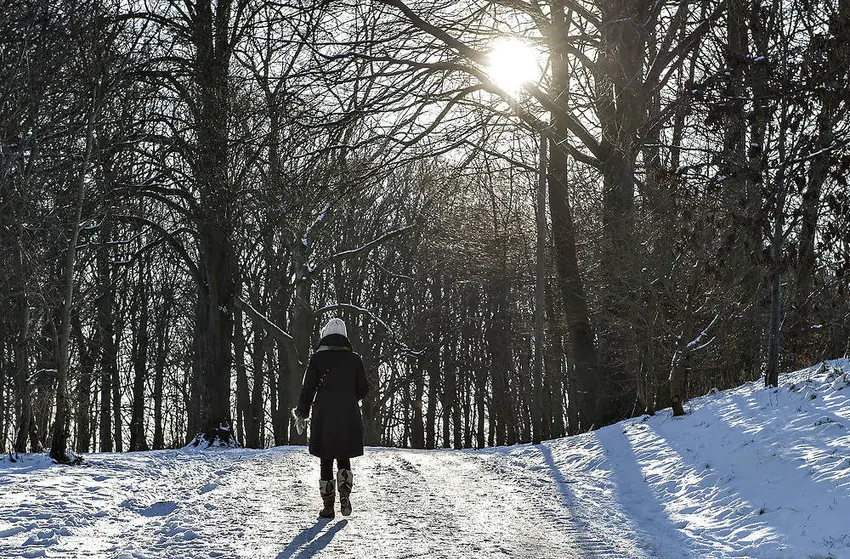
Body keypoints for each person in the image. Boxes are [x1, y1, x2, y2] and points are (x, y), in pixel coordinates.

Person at [293, 317, 370, 519]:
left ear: (325, 336)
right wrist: (348, 396)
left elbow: (307, 389)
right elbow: (364, 389)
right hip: (348, 415)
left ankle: (328, 507)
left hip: (324, 415)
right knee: (343, 456)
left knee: (326, 459)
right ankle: (345, 495)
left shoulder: (317, 359)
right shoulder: (355, 359)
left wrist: (302, 413)